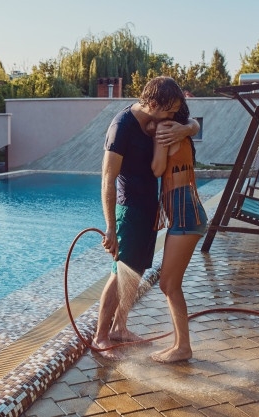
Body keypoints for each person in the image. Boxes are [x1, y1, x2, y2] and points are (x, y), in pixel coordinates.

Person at [92, 76, 199, 360]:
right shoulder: (121, 126)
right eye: (169, 111)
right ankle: (101, 337)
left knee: (135, 273)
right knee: (119, 274)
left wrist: (187, 126)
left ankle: (120, 328)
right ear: (153, 103)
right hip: (129, 210)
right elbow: (107, 179)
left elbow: (191, 123)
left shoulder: (155, 122)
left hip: (149, 211)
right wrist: (111, 228)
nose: (173, 116)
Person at [148, 100, 208, 363]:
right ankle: (179, 345)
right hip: (187, 213)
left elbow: (157, 169)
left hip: (185, 215)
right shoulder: (182, 129)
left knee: (169, 284)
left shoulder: (165, 130)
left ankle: (183, 347)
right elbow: (193, 125)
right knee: (169, 284)